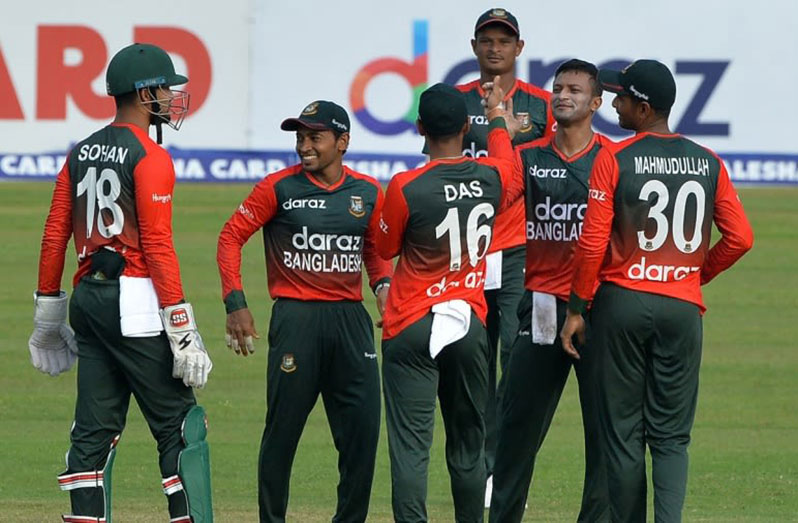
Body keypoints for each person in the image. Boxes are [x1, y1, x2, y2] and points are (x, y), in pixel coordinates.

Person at [560, 59, 754, 522]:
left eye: (622, 98)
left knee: (624, 434)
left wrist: (576, 308)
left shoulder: (614, 157)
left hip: (622, 305)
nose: (617, 105)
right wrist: (695, 274)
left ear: (643, 108)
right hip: (681, 309)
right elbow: (741, 237)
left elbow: (591, 243)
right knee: (671, 437)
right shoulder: (707, 160)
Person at [31, 43, 213, 523]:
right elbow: (157, 246)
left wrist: (48, 313)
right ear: (144, 92)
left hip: (88, 299)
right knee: (181, 426)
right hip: (132, 302)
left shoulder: (81, 152)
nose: (172, 98)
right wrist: (182, 327)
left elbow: (55, 234)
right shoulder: (150, 156)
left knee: (92, 434)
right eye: (165, 89)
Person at [216, 100, 392, 523]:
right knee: (282, 433)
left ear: (343, 141)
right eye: (300, 137)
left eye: (314, 137)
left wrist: (383, 287)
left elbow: (375, 250)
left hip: (351, 322)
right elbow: (229, 238)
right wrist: (235, 304)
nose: (304, 146)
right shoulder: (277, 188)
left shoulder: (368, 193)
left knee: (362, 435)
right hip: (297, 320)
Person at [378, 83, 522, 523]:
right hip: (468, 322)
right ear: (465, 127)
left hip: (411, 320)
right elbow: (509, 169)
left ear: (420, 128)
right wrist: (497, 117)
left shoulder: (405, 186)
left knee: (410, 449)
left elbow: (385, 247)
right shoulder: (494, 178)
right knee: (467, 444)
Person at [487, 59, 611, 523]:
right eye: (557, 88)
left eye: (575, 90)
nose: (562, 95)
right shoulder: (530, 156)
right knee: (516, 427)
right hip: (540, 305)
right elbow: (499, 192)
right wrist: (500, 128)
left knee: (603, 431)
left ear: (596, 103)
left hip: (599, 309)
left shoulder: (611, 160)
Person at [458, 9, 556, 499]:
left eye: (504, 40)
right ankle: (476, 463)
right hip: (467, 252)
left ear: (519, 48)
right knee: (472, 360)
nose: (495, 48)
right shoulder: (453, 103)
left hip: (519, 249)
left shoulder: (542, 106)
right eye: (486, 40)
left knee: (516, 363)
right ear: (474, 47)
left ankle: (498, 465)